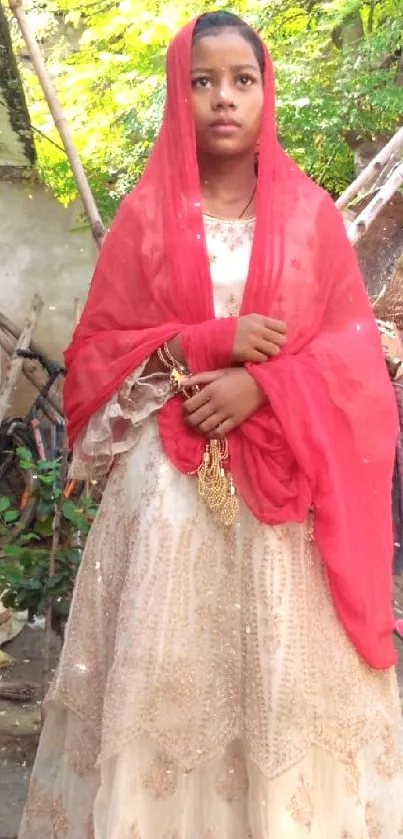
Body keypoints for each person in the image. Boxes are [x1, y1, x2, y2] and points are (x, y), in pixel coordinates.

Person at [19, 11, 403, 839]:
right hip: (164, 508)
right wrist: (197, 343)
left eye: (242, 80)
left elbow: (353, 365)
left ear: (267, 94)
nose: (223, 98)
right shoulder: (146, 221)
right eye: (202, 81)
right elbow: (95, 361)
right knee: (165, 691)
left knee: (277, 690)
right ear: (176, 94)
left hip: (284, 519)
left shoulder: (310, 221)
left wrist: (264, 386)